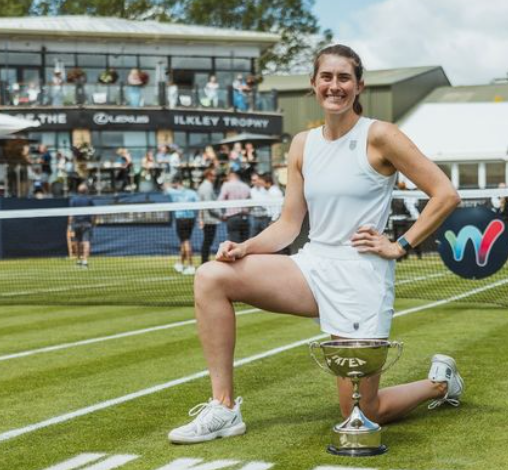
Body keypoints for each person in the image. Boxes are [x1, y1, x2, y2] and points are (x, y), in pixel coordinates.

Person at [168, 44, 464, 444]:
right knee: (211, 276)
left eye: (344, 78)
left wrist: (401, 245)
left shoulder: (380, 136)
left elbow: (445, 193)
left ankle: (440, 383)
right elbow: (289, 224)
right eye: (327, 77)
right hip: (310, 267)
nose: (335, 86)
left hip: (361, 277)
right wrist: (246, 248)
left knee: (362, 411)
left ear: (359, 86)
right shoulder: (302, 144)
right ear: (314, 84)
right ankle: (223, 407)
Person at [167, 177, 199, 275]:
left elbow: (165, 186)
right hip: (191, 219)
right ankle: (180, 263)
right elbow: (199, 205)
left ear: (178, 183)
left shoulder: (173, 192)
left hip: (181, 220)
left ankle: (191, 265)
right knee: (184, 241)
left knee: (185, 242)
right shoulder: (192, 193)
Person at [216, 169, 251, 244]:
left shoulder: (226, 185)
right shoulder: (245, 186)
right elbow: (251, 202)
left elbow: (219, 201)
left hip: (233, 218)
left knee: (234, 243)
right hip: (245, 218)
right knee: (244, 243)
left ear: (231, 175)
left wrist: (221, 215)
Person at [197, 168, 221, 264]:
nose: (215, 178)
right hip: (209, 219)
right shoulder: (206, 187)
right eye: (213, 176)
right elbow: (209, 206)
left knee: (208, 241)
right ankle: (204, 261)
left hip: (208, 219)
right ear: (208, 176)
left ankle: (205, 261)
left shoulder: (207, 186)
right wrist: (220, 215)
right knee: (207, 242)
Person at [68, 183, 95, 268]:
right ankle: (84, 261)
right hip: (86, 224)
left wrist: (69, 224)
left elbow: (70, 215)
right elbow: (95, 213)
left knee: (78, 242)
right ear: (86, 190)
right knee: (85, 242)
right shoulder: (89, 199)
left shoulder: (73, 200)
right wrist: (94, 222)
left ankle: (80, 261)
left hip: (77, 224)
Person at [249, 173, 271, 237]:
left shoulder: (266, 190)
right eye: (253, 180)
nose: (254, 182)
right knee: (252, 237)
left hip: (265, 217)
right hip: (254, 217)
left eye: (256, 180)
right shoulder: (251, 191)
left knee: (266, 236)